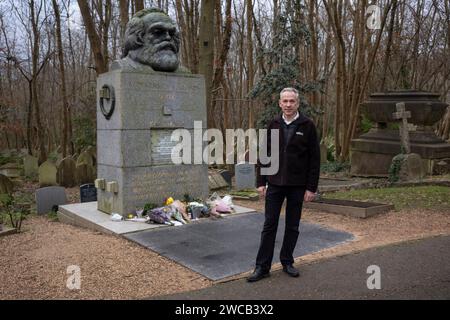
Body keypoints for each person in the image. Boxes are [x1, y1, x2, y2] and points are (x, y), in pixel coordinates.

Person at [247, 87, 320, 282]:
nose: (288, 104)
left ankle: (287, 261)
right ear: (279, 103)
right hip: (275, 184)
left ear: (298, 103)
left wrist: (311, 188)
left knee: (292, 225)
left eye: (292, 101)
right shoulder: (273, 124)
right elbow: (265, 155)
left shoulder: (307, 125)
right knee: (269, 225)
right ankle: (262, 267)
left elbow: (315, 159)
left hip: (297, 185)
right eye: (285, 101)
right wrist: (261, 182)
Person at [112, 8, 188, 73]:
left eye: (171, 33)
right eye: (158, 32)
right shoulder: (123, 67)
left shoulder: (183, 72)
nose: (168, 37)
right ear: (137, 38)